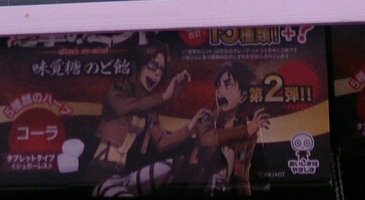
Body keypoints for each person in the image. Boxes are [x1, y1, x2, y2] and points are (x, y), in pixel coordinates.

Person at [87, 41, 202, 196]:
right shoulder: (117, 91)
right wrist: (164, 97)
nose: (157, 73)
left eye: (161, 69)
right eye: (153, 65)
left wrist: (191, 126)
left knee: (176, 164)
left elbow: (162, 142)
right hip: (100, 176)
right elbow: (125, 107)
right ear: (140, 64)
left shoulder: (149, 109)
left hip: (123, 177)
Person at [180, 60, 270, 195]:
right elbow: (207, 139)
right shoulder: (207, 117)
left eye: (228, 84)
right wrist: (246, 131)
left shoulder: (249, 132)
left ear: (243, 96)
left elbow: (243, 176)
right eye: (218, 85)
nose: (219, 91)